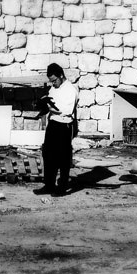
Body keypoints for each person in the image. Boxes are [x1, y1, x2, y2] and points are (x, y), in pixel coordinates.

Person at [34, 63, 78, 197]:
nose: (53, 83)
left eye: (54, 80)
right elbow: (51, 101)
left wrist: (54, 110)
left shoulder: (71, 89)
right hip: (53, 123)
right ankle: (49, 185)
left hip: (64, 125)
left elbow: (68, 110)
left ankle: (62, 187)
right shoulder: (53, 88)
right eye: (51, 81)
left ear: (61, 76)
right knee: (48, 154)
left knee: (63, 157)